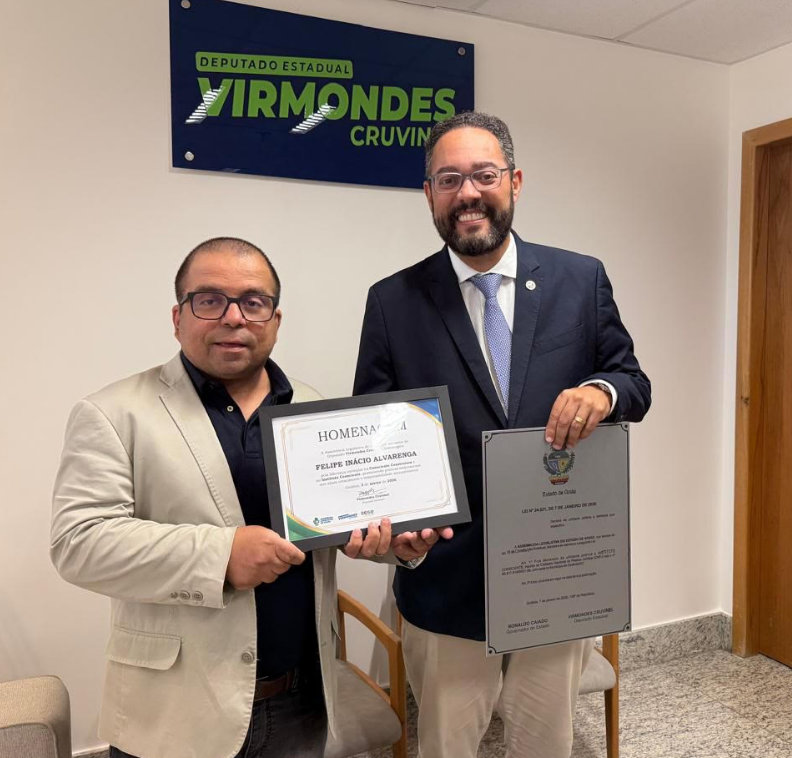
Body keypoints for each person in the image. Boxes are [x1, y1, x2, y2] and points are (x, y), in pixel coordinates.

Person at [51, 237, 449, 758]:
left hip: (303, 701)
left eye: (253, 302)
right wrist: (222, 556)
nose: (233, 317)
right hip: (176, 713)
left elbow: (335, 522)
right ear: (177, 317)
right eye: (210, 300)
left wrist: (393, 544)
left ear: (275, 320)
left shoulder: (314, 409)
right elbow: (78, 544)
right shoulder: (113, 413)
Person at [353, 112, 651, 757]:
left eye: (484, 175)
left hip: (556, 572)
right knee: (447, 746)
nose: (468, 193)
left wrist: (601, 392)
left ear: (514, 182)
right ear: (429, 194)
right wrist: (388, 525)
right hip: (445, 579)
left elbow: (632, 381)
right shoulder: (392, 301)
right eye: (449, 179)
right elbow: (375, 432)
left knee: (545, 744)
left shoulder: (580, 279)